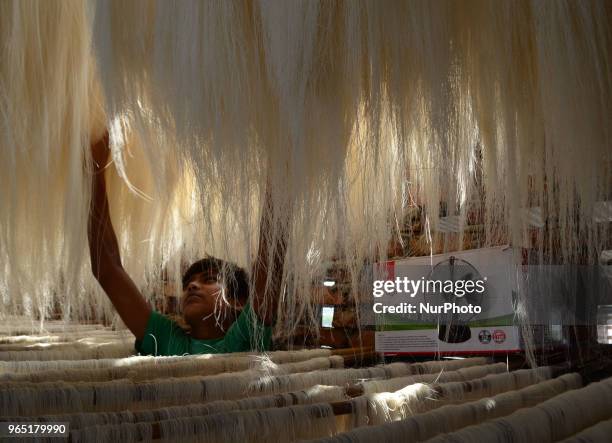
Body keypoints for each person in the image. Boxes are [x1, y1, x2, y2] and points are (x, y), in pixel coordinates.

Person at [88, 132, 287, 356]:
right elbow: (107, 268)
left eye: (210, 279)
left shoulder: (245, 339)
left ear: (239, 302)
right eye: (188, 284)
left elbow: (270, 263)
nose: (192, 286)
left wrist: (283, 157)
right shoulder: (165, 339)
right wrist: (95, 170)